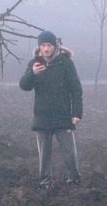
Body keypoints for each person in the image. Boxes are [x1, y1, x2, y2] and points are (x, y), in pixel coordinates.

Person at [19, 30, 83, 187]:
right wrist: (32, 74)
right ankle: (45, 181)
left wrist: (76, 112)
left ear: (55, 46)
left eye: (49, 45)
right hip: (42, 115)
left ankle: (74, 178)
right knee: (44, 153)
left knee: (69, 151)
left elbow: (76, 89)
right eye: (43, 45)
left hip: (63, 114)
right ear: (39, 47)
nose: (46, 49)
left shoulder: (65, 63)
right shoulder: (35, 63)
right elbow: (24, 85)